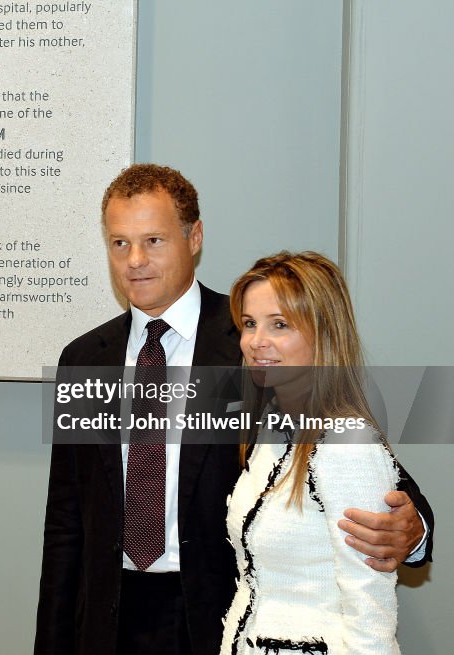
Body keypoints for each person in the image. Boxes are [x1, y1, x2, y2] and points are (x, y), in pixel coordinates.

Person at [34, 164, 431, 655]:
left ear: (194, 237)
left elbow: (353, 447)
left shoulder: (257, 343)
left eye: (154, 240)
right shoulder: (83, 358)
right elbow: (66, 520)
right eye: (120, 243)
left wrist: (414, 529)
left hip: (221, 617)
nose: (135, 260)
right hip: (108, 618)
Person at [220, 251, 401, 653]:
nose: (256, 341)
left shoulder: (348, 443)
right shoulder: (269, 433)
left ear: (325, 334)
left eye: (279, 325)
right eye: (249, 324)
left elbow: (370, 607)